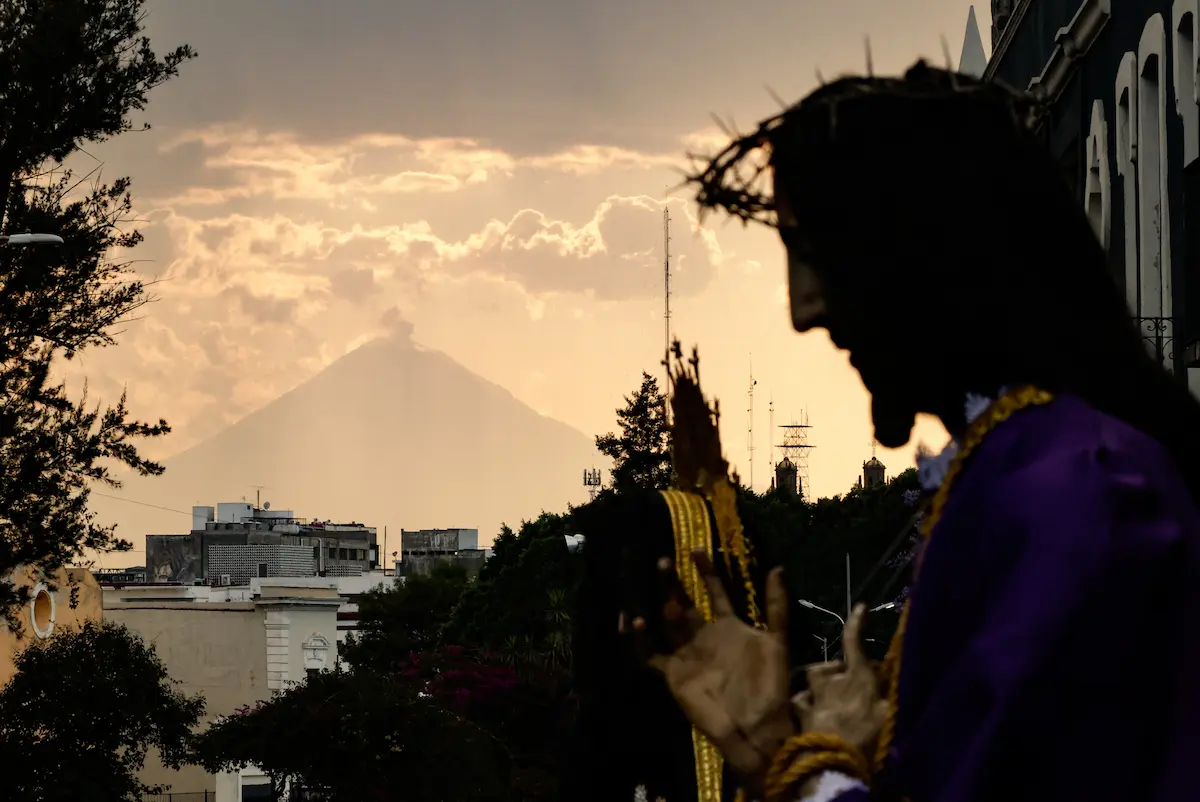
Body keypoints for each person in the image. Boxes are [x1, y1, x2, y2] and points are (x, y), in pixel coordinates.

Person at [629, 61, 1200, 801]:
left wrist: (817, 777)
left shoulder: (1074, 494)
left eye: (819, 254)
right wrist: (781, 746)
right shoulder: (1023, 477)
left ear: (922, 252)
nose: (805, 309)